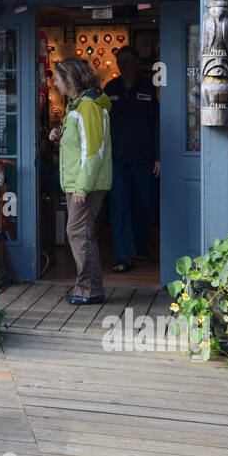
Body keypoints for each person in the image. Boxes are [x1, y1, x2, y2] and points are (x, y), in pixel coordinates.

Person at [49, 58, 112, 305]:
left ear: (70, 79)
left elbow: (94, 150)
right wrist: (59, 135)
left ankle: (90, 289)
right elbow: (81, 143)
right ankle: (87, 286)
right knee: (80, 232)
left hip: (85, 184)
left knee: (78, 232)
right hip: (79, 182)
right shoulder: (77, 105)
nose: (55, 83)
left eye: (57, 78)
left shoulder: (88, 107)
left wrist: (82, 188)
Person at [103, 47, 160, 273]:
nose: (123, 65)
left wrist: (159, 156)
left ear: (137, 63)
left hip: (144, 159)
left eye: (127, 61)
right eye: (119, 61)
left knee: (144, 205)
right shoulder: (110, 89)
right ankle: (124, 256)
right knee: (118, 206)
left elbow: (159, 123)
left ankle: (141, 245)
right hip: (116, 160)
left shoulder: (150, 87)